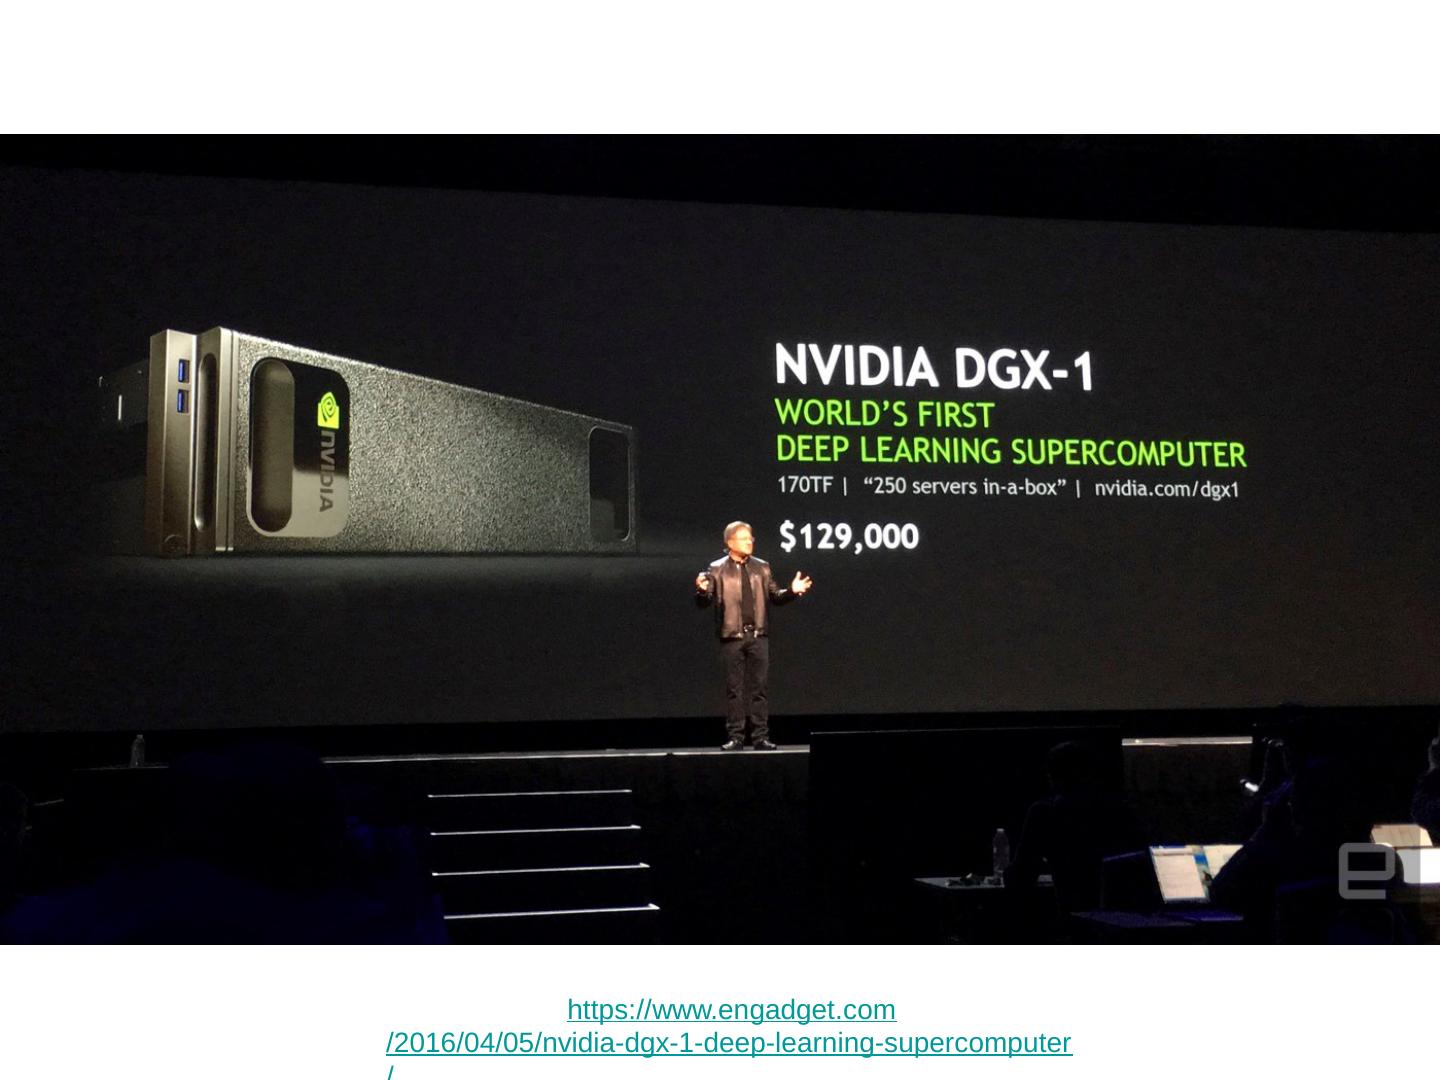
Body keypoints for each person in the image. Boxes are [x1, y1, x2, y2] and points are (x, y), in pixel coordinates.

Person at [694, 521, 812, 750]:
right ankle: (736, 737)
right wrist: (700, 590)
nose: (749, 542)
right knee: (734, 691)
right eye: (744, 538)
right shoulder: (717, 569)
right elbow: (704, 601)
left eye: (751, 538)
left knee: (760, 690)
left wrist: (792, 591)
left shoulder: (762, 567)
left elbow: (776, 596)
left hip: (758, 635)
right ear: (730, 542)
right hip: (732, 636)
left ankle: (760, 737)